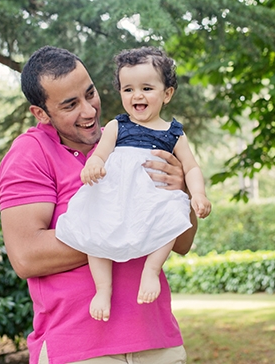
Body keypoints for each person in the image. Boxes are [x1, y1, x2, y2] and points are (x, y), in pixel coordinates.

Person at [0, 45, 198, 364]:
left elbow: (183, 242)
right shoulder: (30, 154)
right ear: (41, 113)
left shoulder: (133, 141)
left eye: (90, 94)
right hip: (80, 349)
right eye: (70, 105)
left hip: (158, 341)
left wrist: (182, 191)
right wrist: (130, 228)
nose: (90, 111)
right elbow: (26, 255)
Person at [55, 47, 211, 323]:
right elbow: (101, 152)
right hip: (117, 194)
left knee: (172, 216)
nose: (136, 95)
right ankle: (102, 290)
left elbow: (191, 167)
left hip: (152, 196)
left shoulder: (173, 132)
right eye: (128, 90)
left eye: (147, 88)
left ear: (167, 94)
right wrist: (94, 165)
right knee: (96, 230)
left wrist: (197, 193)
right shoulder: (118, 126)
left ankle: (151, 270)